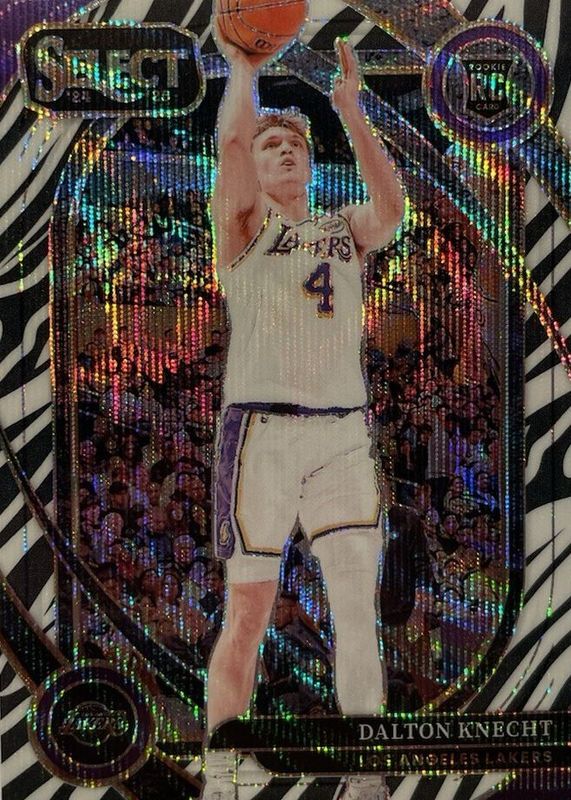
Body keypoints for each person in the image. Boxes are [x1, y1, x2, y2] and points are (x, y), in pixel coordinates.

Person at [204, 15, 404, 800]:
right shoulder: (242, 229)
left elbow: (390, 207)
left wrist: (350, 110)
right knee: (248, 613)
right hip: (262, 433)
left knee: (355, 608)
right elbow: (231, 147)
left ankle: (365, 770)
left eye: (293, 145)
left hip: (341, 435)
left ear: (310, 164)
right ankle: (223, 764)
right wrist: (243, 71)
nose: (283, 150)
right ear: (252, 166)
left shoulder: (341, 229)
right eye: (270, 146)